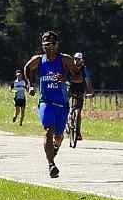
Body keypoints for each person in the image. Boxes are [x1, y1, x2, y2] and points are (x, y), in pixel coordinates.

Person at [24, 31, 81, 178]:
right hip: (46, 102)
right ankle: (51, 165)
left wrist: (66, 78)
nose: (49, 48)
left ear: (57, 45)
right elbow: (27, 68)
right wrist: (30, 85)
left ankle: (55, 148)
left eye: (51, 45)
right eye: (46, 45)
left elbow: (78, 76)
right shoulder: (39, 60)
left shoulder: (65, 60)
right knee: (49, 130)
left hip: (62, 104)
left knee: (59, 136)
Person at [68, 52, 93, 140]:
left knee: (78, 112)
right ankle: (65, 122)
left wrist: (90, 92)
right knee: (64, 104)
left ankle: (77, 133)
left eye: (78, 59)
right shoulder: (70, 67)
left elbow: (88, 80)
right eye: (75, 58)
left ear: (82, 60)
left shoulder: (84, 69)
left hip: (80, 90)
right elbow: (66, 77)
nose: (76, 61)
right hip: (70, 88)